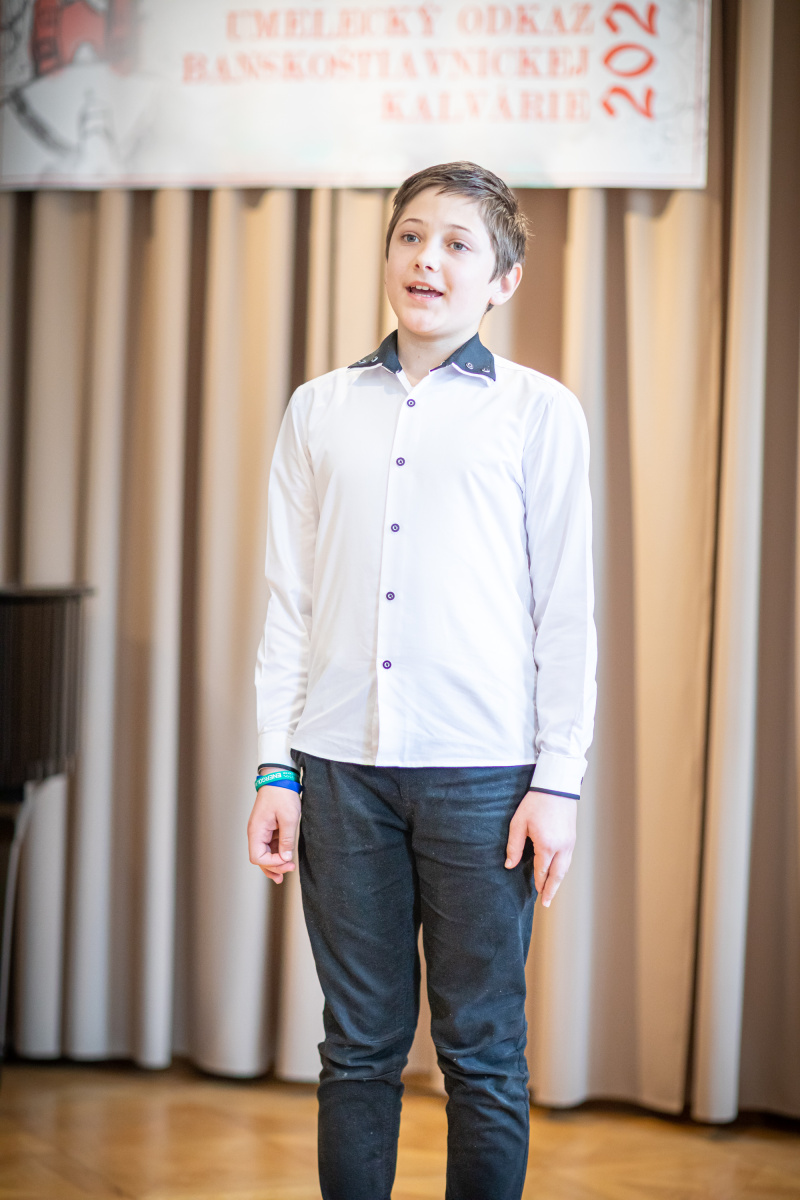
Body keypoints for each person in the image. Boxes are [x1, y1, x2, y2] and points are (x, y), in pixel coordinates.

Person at [248, 161, 597, 1200]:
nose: (426, 261)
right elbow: (287, 605)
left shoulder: (539, 413)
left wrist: (559, 779)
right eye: (410, 237)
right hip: (337, 768)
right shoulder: (318, 408)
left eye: (455, 244)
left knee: (481, 1049)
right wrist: (274, 767)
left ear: (504, 279)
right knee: (357, 1045)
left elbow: (565, 611)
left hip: (484, 778)